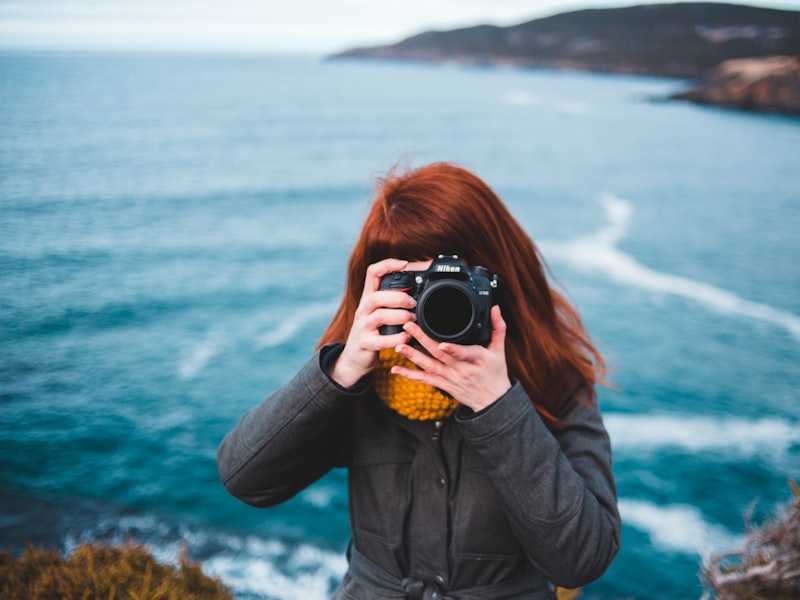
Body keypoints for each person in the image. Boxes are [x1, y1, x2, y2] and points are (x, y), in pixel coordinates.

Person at [217, 162, 621, 599]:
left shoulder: (552, 378)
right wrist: (343, 370)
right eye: (414, 287)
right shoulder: (361, 379)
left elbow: (583, 559)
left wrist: (499, 408)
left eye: (457, 286)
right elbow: (245, 479)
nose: (437, 305)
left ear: (498, 280)